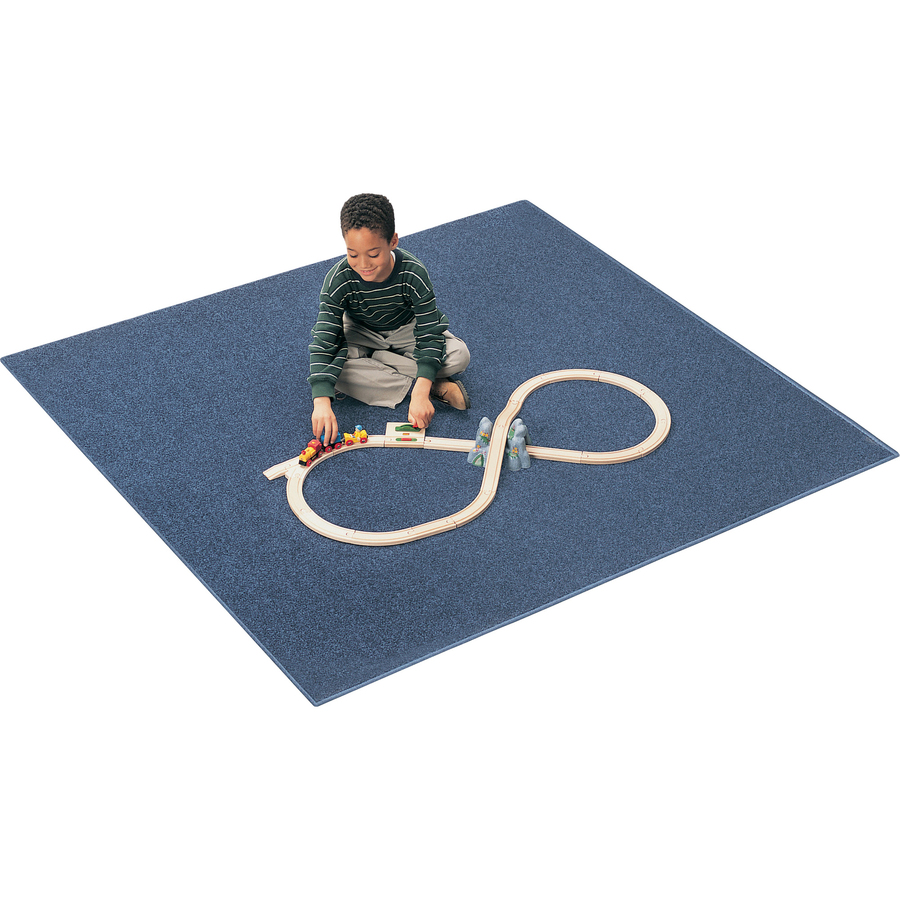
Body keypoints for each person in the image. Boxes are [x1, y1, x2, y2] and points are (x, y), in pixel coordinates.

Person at [308, 194, 471, 445]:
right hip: (361, 333)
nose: (363, 264)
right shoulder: (337, 280)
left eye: (373, 254)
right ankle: (430, 384)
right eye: (353, 254)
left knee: (459, 355)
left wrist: (420, 394)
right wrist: (321, 401)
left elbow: (429, 333)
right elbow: (324, 339)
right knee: (331, 377)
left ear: (393, 241)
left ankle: (389, 368)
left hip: (406, 331)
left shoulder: (413, 273)